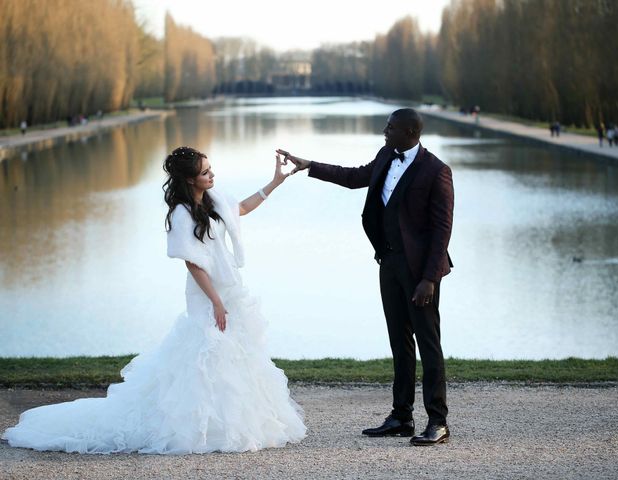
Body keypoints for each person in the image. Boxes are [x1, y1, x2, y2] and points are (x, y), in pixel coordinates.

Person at [2, 146, 306, 454]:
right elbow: (193, 263)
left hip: (229, 288)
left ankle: (231, 422)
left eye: (210, 169)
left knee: (234, 353)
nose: (212, 174)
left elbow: (240, 208)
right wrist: (214, 301)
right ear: (190, 180)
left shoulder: (213, 200)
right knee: (208, 350)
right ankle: (198, 426)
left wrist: (275, 181)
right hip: (206, 293)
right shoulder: (181, 213)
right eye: (205, 172)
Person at [278, 108, 454, 446]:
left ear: (410, 132)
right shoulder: (387, 155)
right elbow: (356, 177)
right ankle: (401, 416)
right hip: (389, 263)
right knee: (399, 343)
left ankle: (438, 421)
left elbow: (441, 231)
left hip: (421, 273)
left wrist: (429, 279)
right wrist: (309, 165)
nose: (383, 131)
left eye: (390, 127)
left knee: (428, 345)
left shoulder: (436, 171)